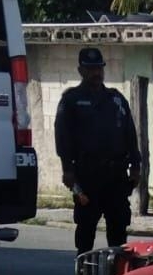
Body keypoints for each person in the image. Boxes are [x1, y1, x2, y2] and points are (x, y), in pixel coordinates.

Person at [54, 47, 141, 255]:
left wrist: (136, 165)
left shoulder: (116, 99)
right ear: (80, 70)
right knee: (86, 229)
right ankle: (83, 271)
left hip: (116, 175)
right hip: (87, 175)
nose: (96, 73)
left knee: (118, 229)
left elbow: (130, 133)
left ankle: (117, 273)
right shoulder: (71, 100)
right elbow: (62, 138)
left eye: (99, 68)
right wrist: (67, 169)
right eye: (90, 68)